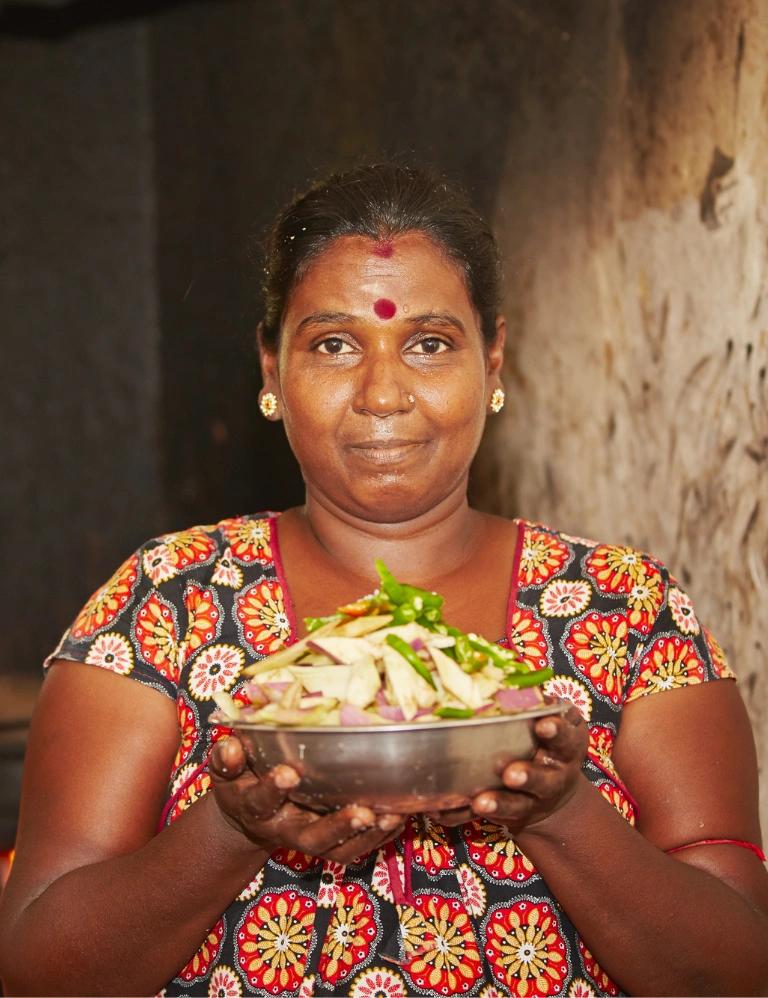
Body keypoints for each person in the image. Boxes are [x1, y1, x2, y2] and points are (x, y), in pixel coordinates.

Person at [0, 164, 766, 998]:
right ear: (270, 369)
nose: (383, 394)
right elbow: (36, 968)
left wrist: (560, 812)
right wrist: (227, 831)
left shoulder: (626, 609)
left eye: (429, 343)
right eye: (333, 344)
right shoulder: (167, 602)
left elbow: (738, 970)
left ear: (494, 358)